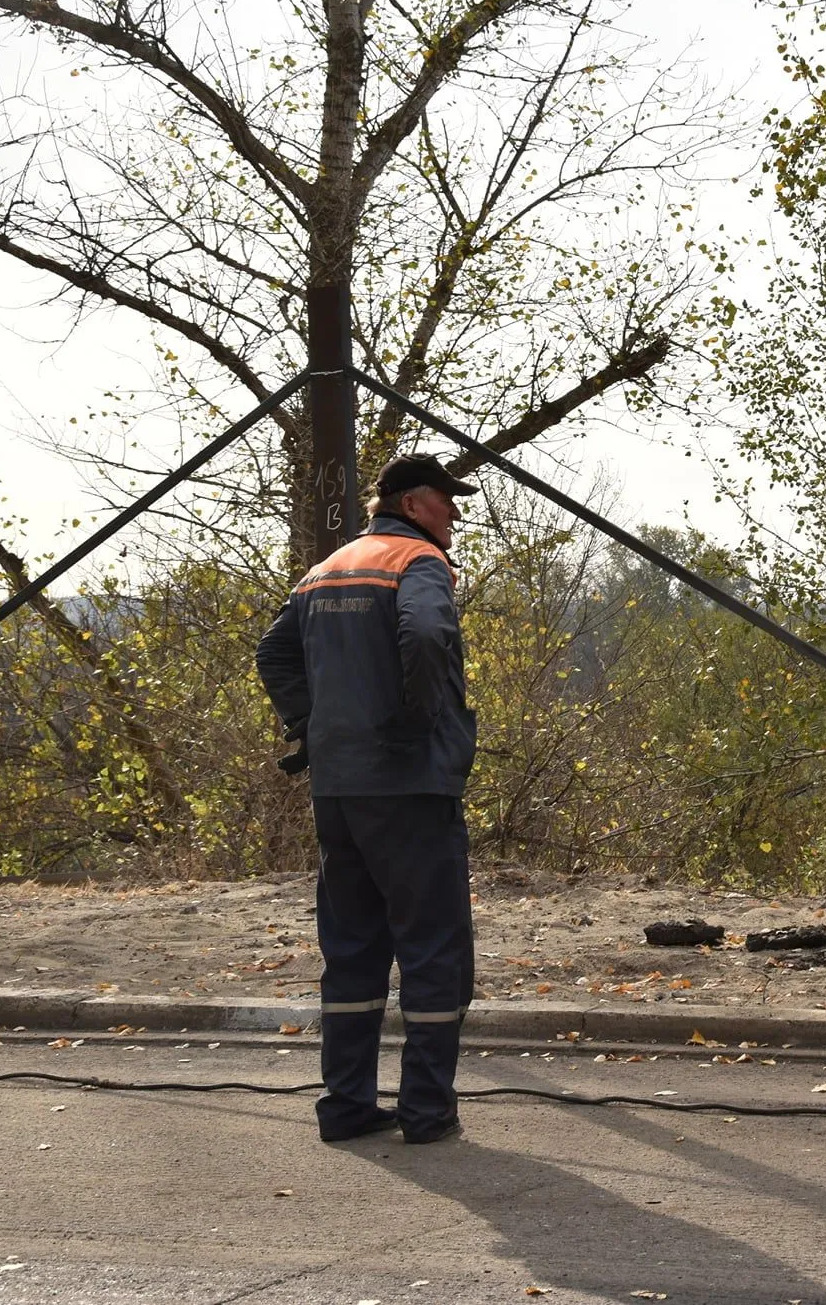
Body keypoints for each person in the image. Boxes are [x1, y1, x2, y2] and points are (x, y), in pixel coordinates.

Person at [256, 452, 482, 1144]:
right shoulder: (418, 561)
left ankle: (348, 1105)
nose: (455, 513)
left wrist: (311, 724)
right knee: (433, 944)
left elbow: (273, 654)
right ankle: (426, 1110)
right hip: (408, 786)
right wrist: (418, 722)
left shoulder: (327, 568)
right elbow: (428, 634)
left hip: (338, 788)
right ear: (413, 504)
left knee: (352, 946)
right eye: (446, 499)